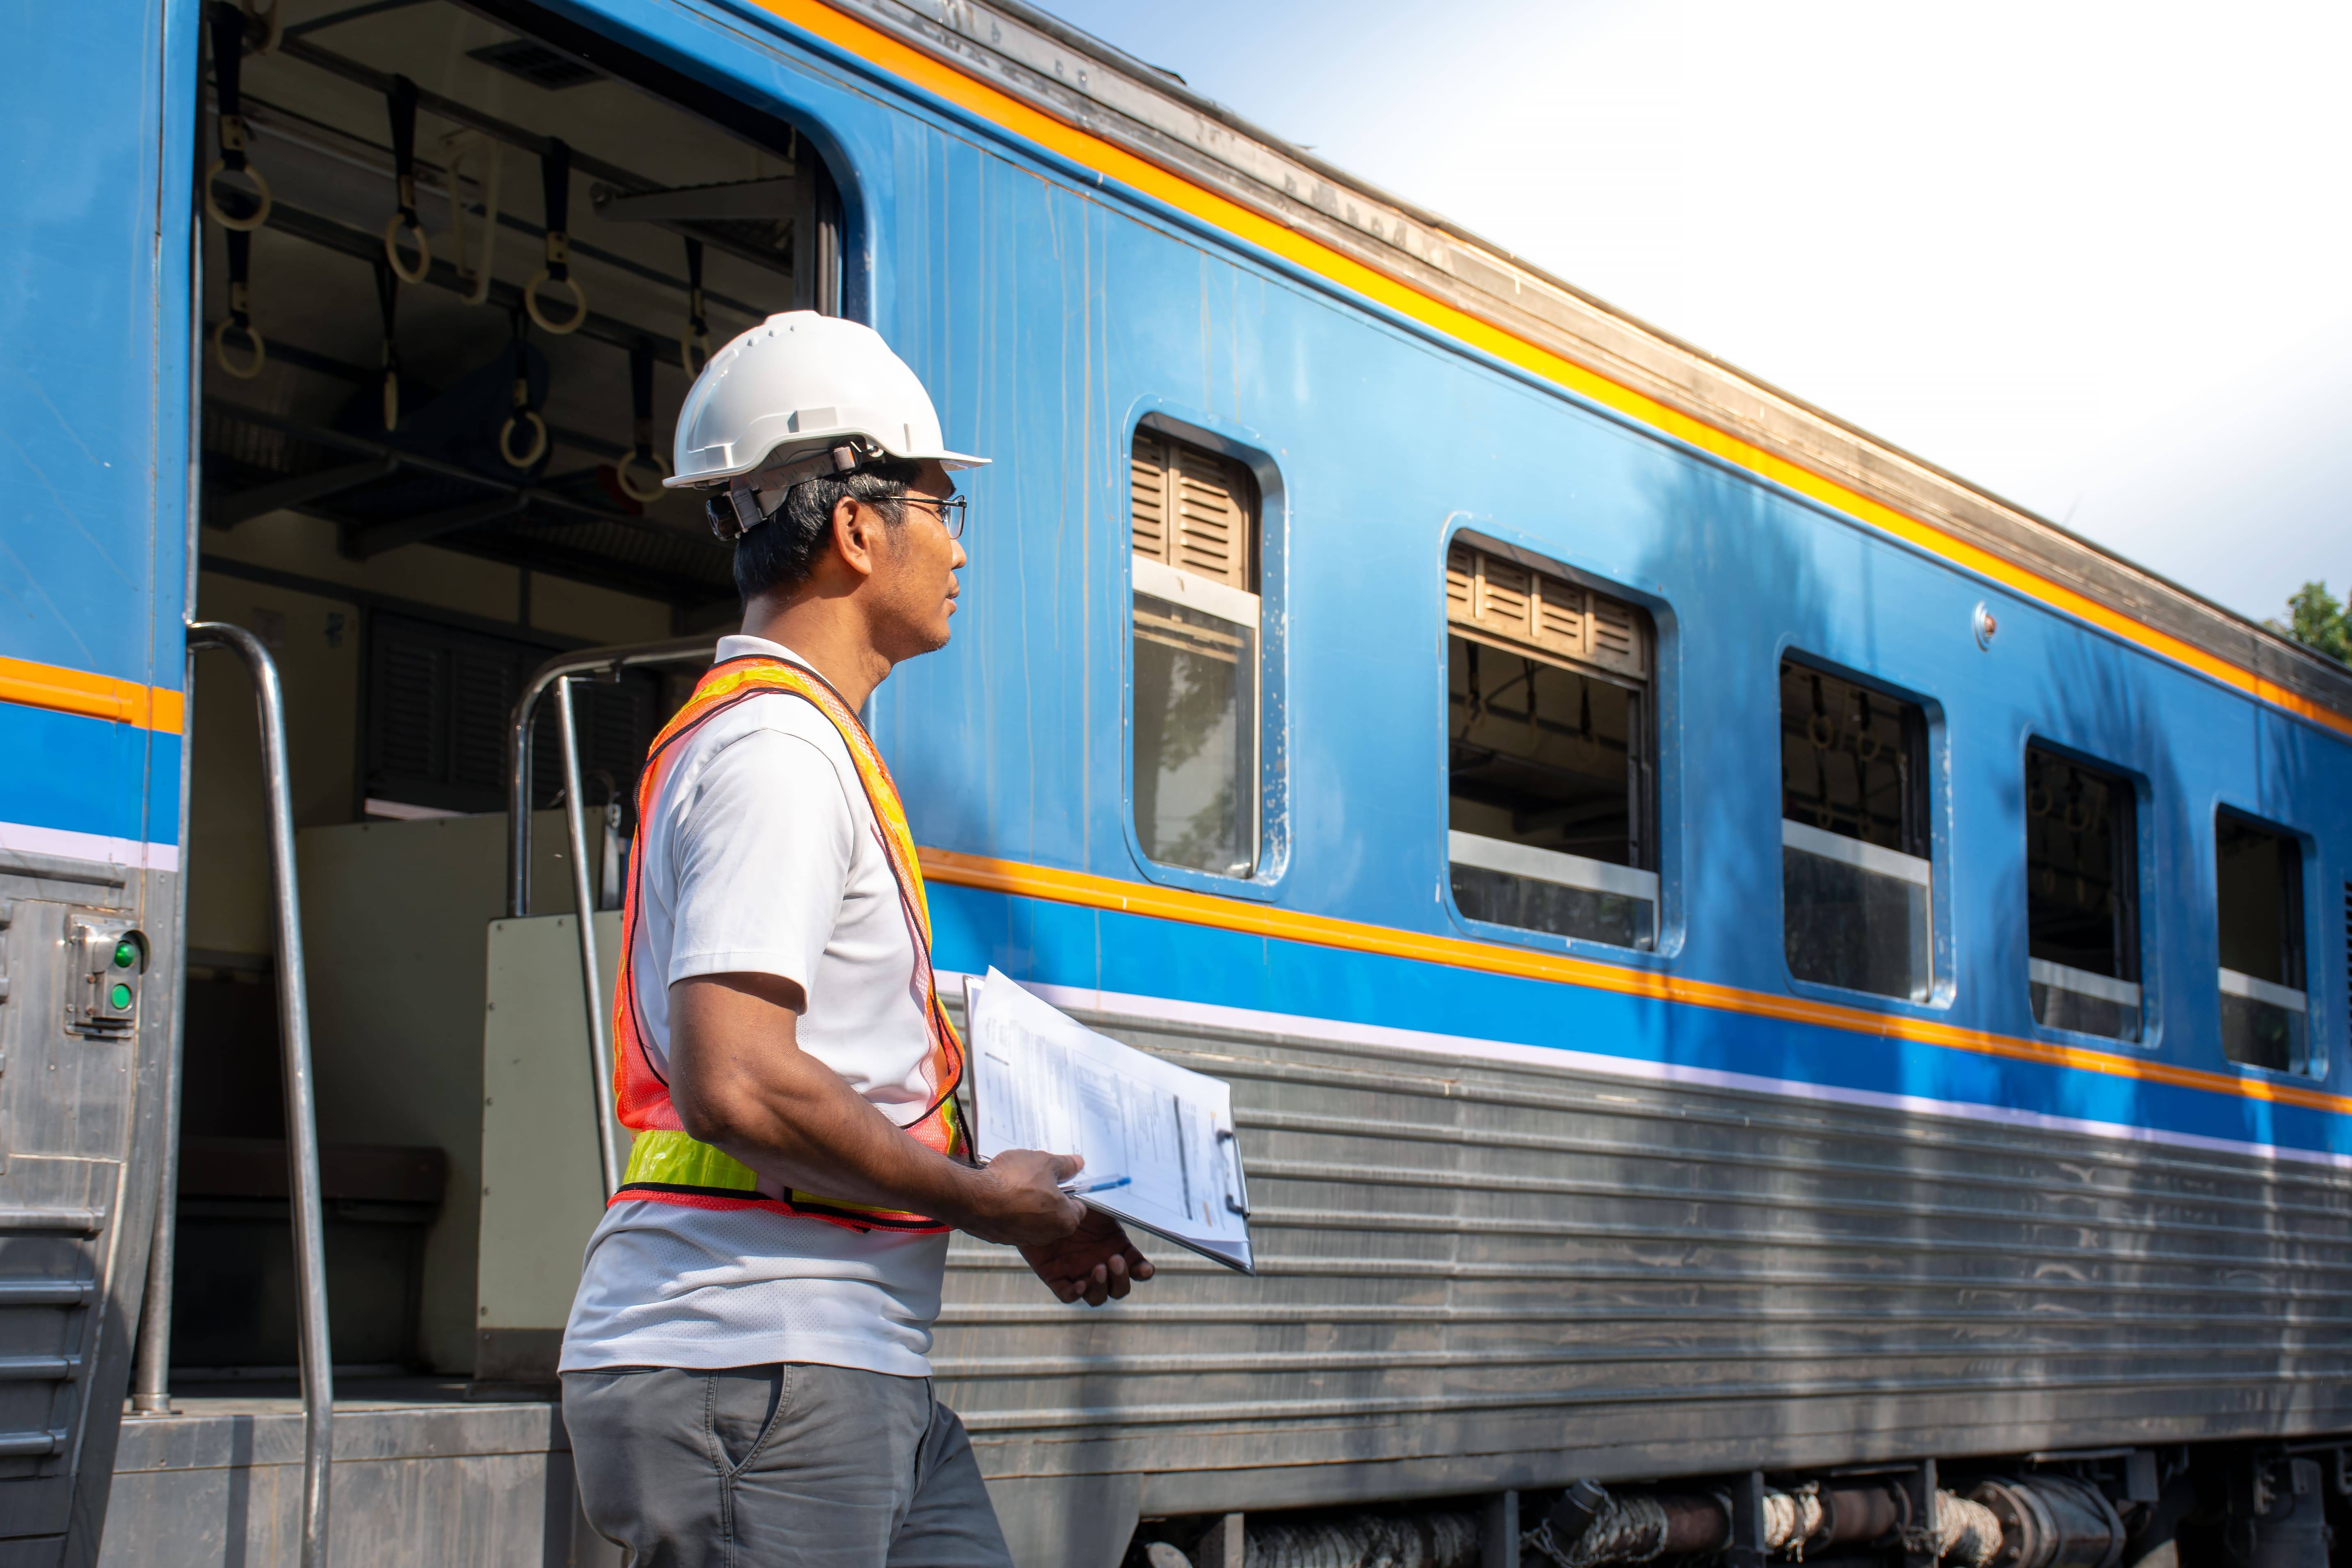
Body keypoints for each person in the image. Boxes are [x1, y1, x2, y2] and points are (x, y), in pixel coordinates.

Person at [561, 311, 1153, 1568]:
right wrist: (982, 1207)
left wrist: (1019, 1207)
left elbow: (829, 1065)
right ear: (855, 526)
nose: (958, 551)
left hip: (833, 1361)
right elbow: (737, 1079)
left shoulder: (809, 742)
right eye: (943, 509)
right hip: (755, 1374)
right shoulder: (776, 752)